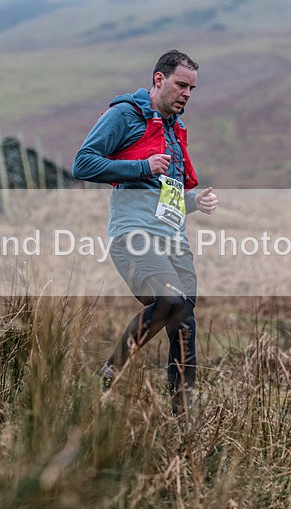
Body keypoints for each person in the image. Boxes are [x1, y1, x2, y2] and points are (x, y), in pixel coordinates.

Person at [71, 49, 218, 417]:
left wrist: (194, 202)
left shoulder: (173, 129)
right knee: (170, 301)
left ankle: (183, 419)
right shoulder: (125, 114)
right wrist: (142, 166)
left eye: (192, 88)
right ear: (158, 79)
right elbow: (82, 163)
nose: (186, 93)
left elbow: (164, 193)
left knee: (184, 324)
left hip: (175, 242)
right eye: (181, 85)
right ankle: (109, 372)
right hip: (135, 236)